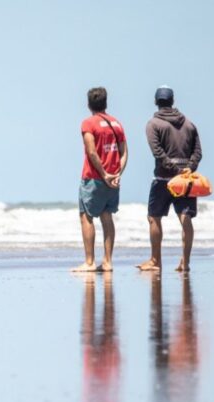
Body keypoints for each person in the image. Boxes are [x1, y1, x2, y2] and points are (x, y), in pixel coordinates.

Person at [137, 86, 202, 273]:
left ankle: (155, 260)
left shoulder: (153, 124)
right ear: (172, 101)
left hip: (163, 179)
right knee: (186, 218)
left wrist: (174, 170)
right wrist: (189, 168)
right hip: (186, 180)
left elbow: (158, 153)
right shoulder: (189, 124)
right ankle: (185, 262)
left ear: (157, 102)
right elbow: (198, 152)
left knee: (154, 218)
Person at [73, 87, 128, 272]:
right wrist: (117, 173)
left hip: (94, 178)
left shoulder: (88, 123)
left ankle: (89, 262)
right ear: (106, 103)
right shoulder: (117, 123)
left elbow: (91, 151)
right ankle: (107, 261)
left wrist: (104, 174)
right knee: (107, 217)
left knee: (86, 217)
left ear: (89, 104)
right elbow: (124, 152)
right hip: (113, 180)